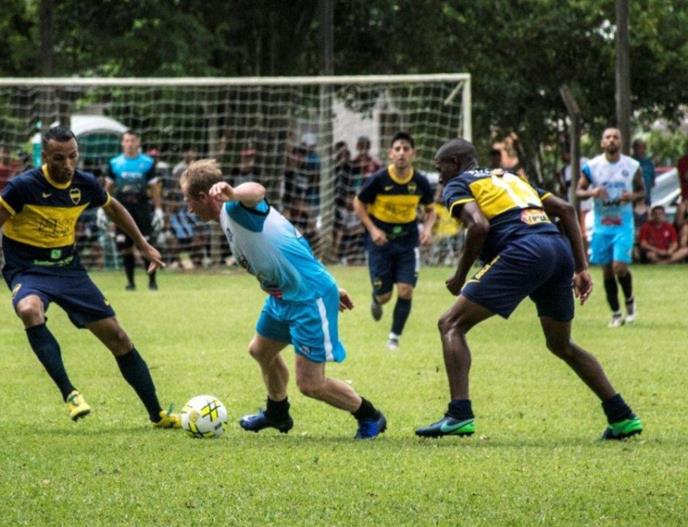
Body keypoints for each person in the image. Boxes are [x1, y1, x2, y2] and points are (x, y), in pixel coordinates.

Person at [414, 138, 643, 441]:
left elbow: (479, 226)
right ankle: (622, 416)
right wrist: (580, 267)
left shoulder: (458, 184)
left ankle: (459, 414)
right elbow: (565, 209)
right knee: (561, 345)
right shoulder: (509, 178)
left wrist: (459, 276)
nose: (439, 176)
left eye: (440, 167)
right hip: (557, 250)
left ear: (454, 164)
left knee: (450, 324)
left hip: (524, 250)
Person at [0, 126, 179, 428]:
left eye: (72, 156)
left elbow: (114, 208)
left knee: (118, 337)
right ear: (45, 157)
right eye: (59, 158)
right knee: (29, 309)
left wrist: (143, 244)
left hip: (69, 270)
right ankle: (70, 393)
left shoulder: (84, 184)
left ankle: (158, 414)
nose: (67, 165)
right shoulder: (22, 187)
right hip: (28, 270)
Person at [180, 159, 387, 439]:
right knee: (260, 351)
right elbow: (291, 245)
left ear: (204, 197)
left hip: (307, 298)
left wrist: (233, 192)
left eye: (188, 200)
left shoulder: (236, 208)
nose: (188, 208)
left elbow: (257, 190)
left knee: (311, 384)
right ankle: (277, 412)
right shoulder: (227, 220)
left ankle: (370, 416)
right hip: (285, 297)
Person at [353, 131, 437, 350]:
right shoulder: (378, 179)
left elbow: (431, 210)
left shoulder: (420, 182)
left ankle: (394, 338)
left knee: (406, 290)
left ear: (413, 154)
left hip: (408, 241)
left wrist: (427, 229)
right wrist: (372, 229)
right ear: (391, 154)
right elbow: (358, 203)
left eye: (406, 149)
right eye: (397, 149)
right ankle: (376, 298)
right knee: (384, 296)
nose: (401, 153)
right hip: (380, 241)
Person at [577, 128, 645, 328]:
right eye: (608, 137)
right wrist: (593, 192)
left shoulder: (632, 166)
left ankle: (630, 301)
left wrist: (630, 197)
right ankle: (616, 313)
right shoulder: (592, 166)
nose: (612, 140)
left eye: (616, 137)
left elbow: (642, 191)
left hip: (623, 224)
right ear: (602, 143)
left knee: (619, 267)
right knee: (607, 270)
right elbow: (578, 191)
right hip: (601, 226)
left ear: (621, 142)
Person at [106, 131, 161, 291]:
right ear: (122, 143)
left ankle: (152, 282)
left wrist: (158, 210)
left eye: (132, 140)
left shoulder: (148, 162)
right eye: (126, 140)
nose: (129, 143)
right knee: (125, 246)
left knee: (145, 243)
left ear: (138, 142)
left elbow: (155, 188)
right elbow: (108, 187)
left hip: (141, 208)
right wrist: (103, 210)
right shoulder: (114, 163)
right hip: (121, 208)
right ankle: (130, 283)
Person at [632, 139, 656, 206]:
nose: (640, 150)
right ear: (634, 149)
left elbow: (652, 182)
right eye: (638, 148)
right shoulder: (629, 162)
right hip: (632, 198)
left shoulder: (649, 163)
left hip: (646, 198)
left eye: (642, 147)